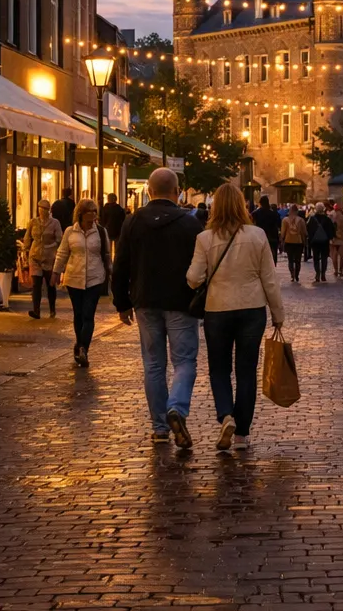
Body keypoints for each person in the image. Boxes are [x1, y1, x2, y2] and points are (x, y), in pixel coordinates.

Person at [187, 182, 285, 451]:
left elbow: (194, 279)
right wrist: (278, 313)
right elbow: (269, 279)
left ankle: (225, 415)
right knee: (246, 370)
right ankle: (241, 432)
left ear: (214, 207)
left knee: (219, 368)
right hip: (252, 309)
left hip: (218, 309)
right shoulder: (257, 236)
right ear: (242, 205)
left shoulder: (204, 239)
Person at [112, 167, 203, 448]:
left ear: (148, 192)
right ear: (177, 192)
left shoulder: (133, 221)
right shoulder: (189, 224)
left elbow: (121, 263)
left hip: (145, 301)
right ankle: (176, 406)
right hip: (181, 302)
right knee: (184, 361)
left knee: (153, 363)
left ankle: (160, 427)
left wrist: (122, 302)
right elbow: (200, 267)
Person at [52, 199, 110, 368]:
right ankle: (79, 344)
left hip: (95, 277)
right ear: (81, 213)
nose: (92, 215)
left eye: (94, 211)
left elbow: (105, 253)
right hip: (74, 278)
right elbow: (62, 253)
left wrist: (110, 271)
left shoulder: (100, 231)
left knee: (88, 314)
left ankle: (84, 348)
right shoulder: (70, 232)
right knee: (78, 314)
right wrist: (56, 272)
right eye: (89, 211)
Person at [22, 198, 63, 319]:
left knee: (50, 284)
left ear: (48, 210)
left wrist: (54, 248)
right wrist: (25, 250)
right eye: (40, 208)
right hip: (35, 256)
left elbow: (59, 239)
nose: (42, 211)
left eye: (44, 209)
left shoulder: (55, 223)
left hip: (49, 257)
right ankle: (36, 310)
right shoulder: (33, 222)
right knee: (36, 284)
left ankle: (52, 309)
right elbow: (27, 237)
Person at [306, 202, 336, 282]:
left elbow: (308, 229)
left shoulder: (312, 219)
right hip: (325, 242)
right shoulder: (327, 219)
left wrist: (311, 238)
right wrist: (330, 238)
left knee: (316, 258)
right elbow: (332, 229)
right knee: (324, 258)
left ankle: (317, 273)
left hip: (315, 242)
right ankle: (323, 274)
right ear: (323, 209)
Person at [280, 204, 308, 283]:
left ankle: (292, 274)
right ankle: (297, 275)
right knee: (298, 260)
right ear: (297, 211)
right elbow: (305, 232)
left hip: (288, 241)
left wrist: (282, 240)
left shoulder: (285, 220)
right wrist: (305, 239)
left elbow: (282, 233)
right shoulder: (301, 220)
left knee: (290, 260)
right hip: (298, 242)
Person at [251, 195, 281, 265]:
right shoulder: (274, 214)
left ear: (260, 203)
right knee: (273, 254)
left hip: (259, 237)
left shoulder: (255, 213)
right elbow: (279, 224)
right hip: (272, 237)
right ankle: (273, 265)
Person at [99, 192, 127, 256]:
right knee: (117, 249)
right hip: (118, 231)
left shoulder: (104, 209)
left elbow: (102, 220)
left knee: (108, 249)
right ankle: (115, 261)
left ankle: (109, 261)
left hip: (107, 230)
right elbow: (123, 220)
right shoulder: (119, 209)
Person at [330, 202, 343, 278]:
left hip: (334, 238)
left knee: (334, 256)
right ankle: (341, 271)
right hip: (342, 238)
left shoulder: (331, 216)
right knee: (342, 256)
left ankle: (335, 270)